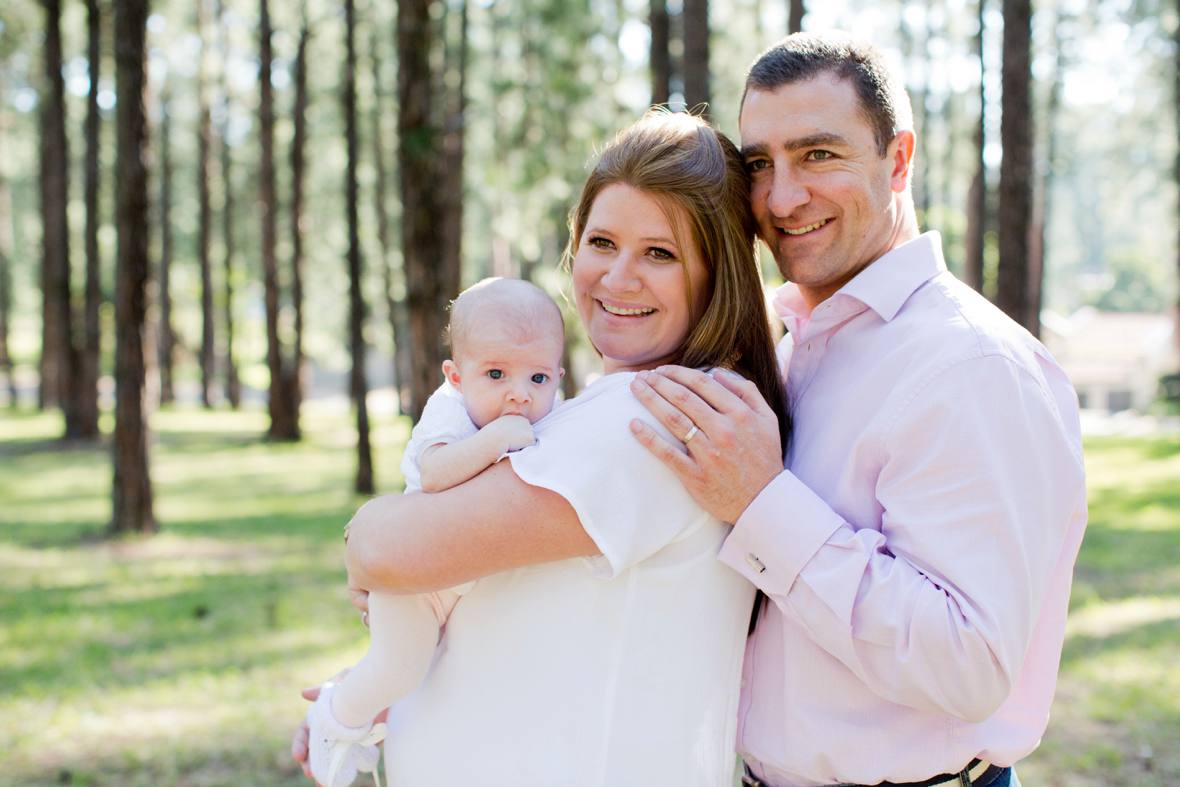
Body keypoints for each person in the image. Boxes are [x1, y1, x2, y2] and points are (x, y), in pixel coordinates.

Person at [630, 33, 1087, 787]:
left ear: (899, 160)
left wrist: (763, 502)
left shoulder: (973, 367)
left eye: (819, 155)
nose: (781, 198)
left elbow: (968, 662)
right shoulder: (789, 352)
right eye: (760, 164)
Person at [291, 109, 789, 786]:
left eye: (660, 253)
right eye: (602, 241)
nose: (617, 278)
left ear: (717, 272)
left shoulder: (656, 419)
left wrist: (371, 539)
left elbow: (380, 549)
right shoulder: (633, 410)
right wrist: (374, 688)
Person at [304, 277, 566, 787]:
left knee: (435, 680)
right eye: (496, 373)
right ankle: (336, 717)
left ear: (558, 373)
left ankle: (372, 722)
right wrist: (496, 438)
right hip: (416, 578)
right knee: (398, 668)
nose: (520, 394)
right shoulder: (447, 411)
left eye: (538, 378)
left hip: (466, 578)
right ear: (456, 375)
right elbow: (436, 474)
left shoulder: (550, 408)